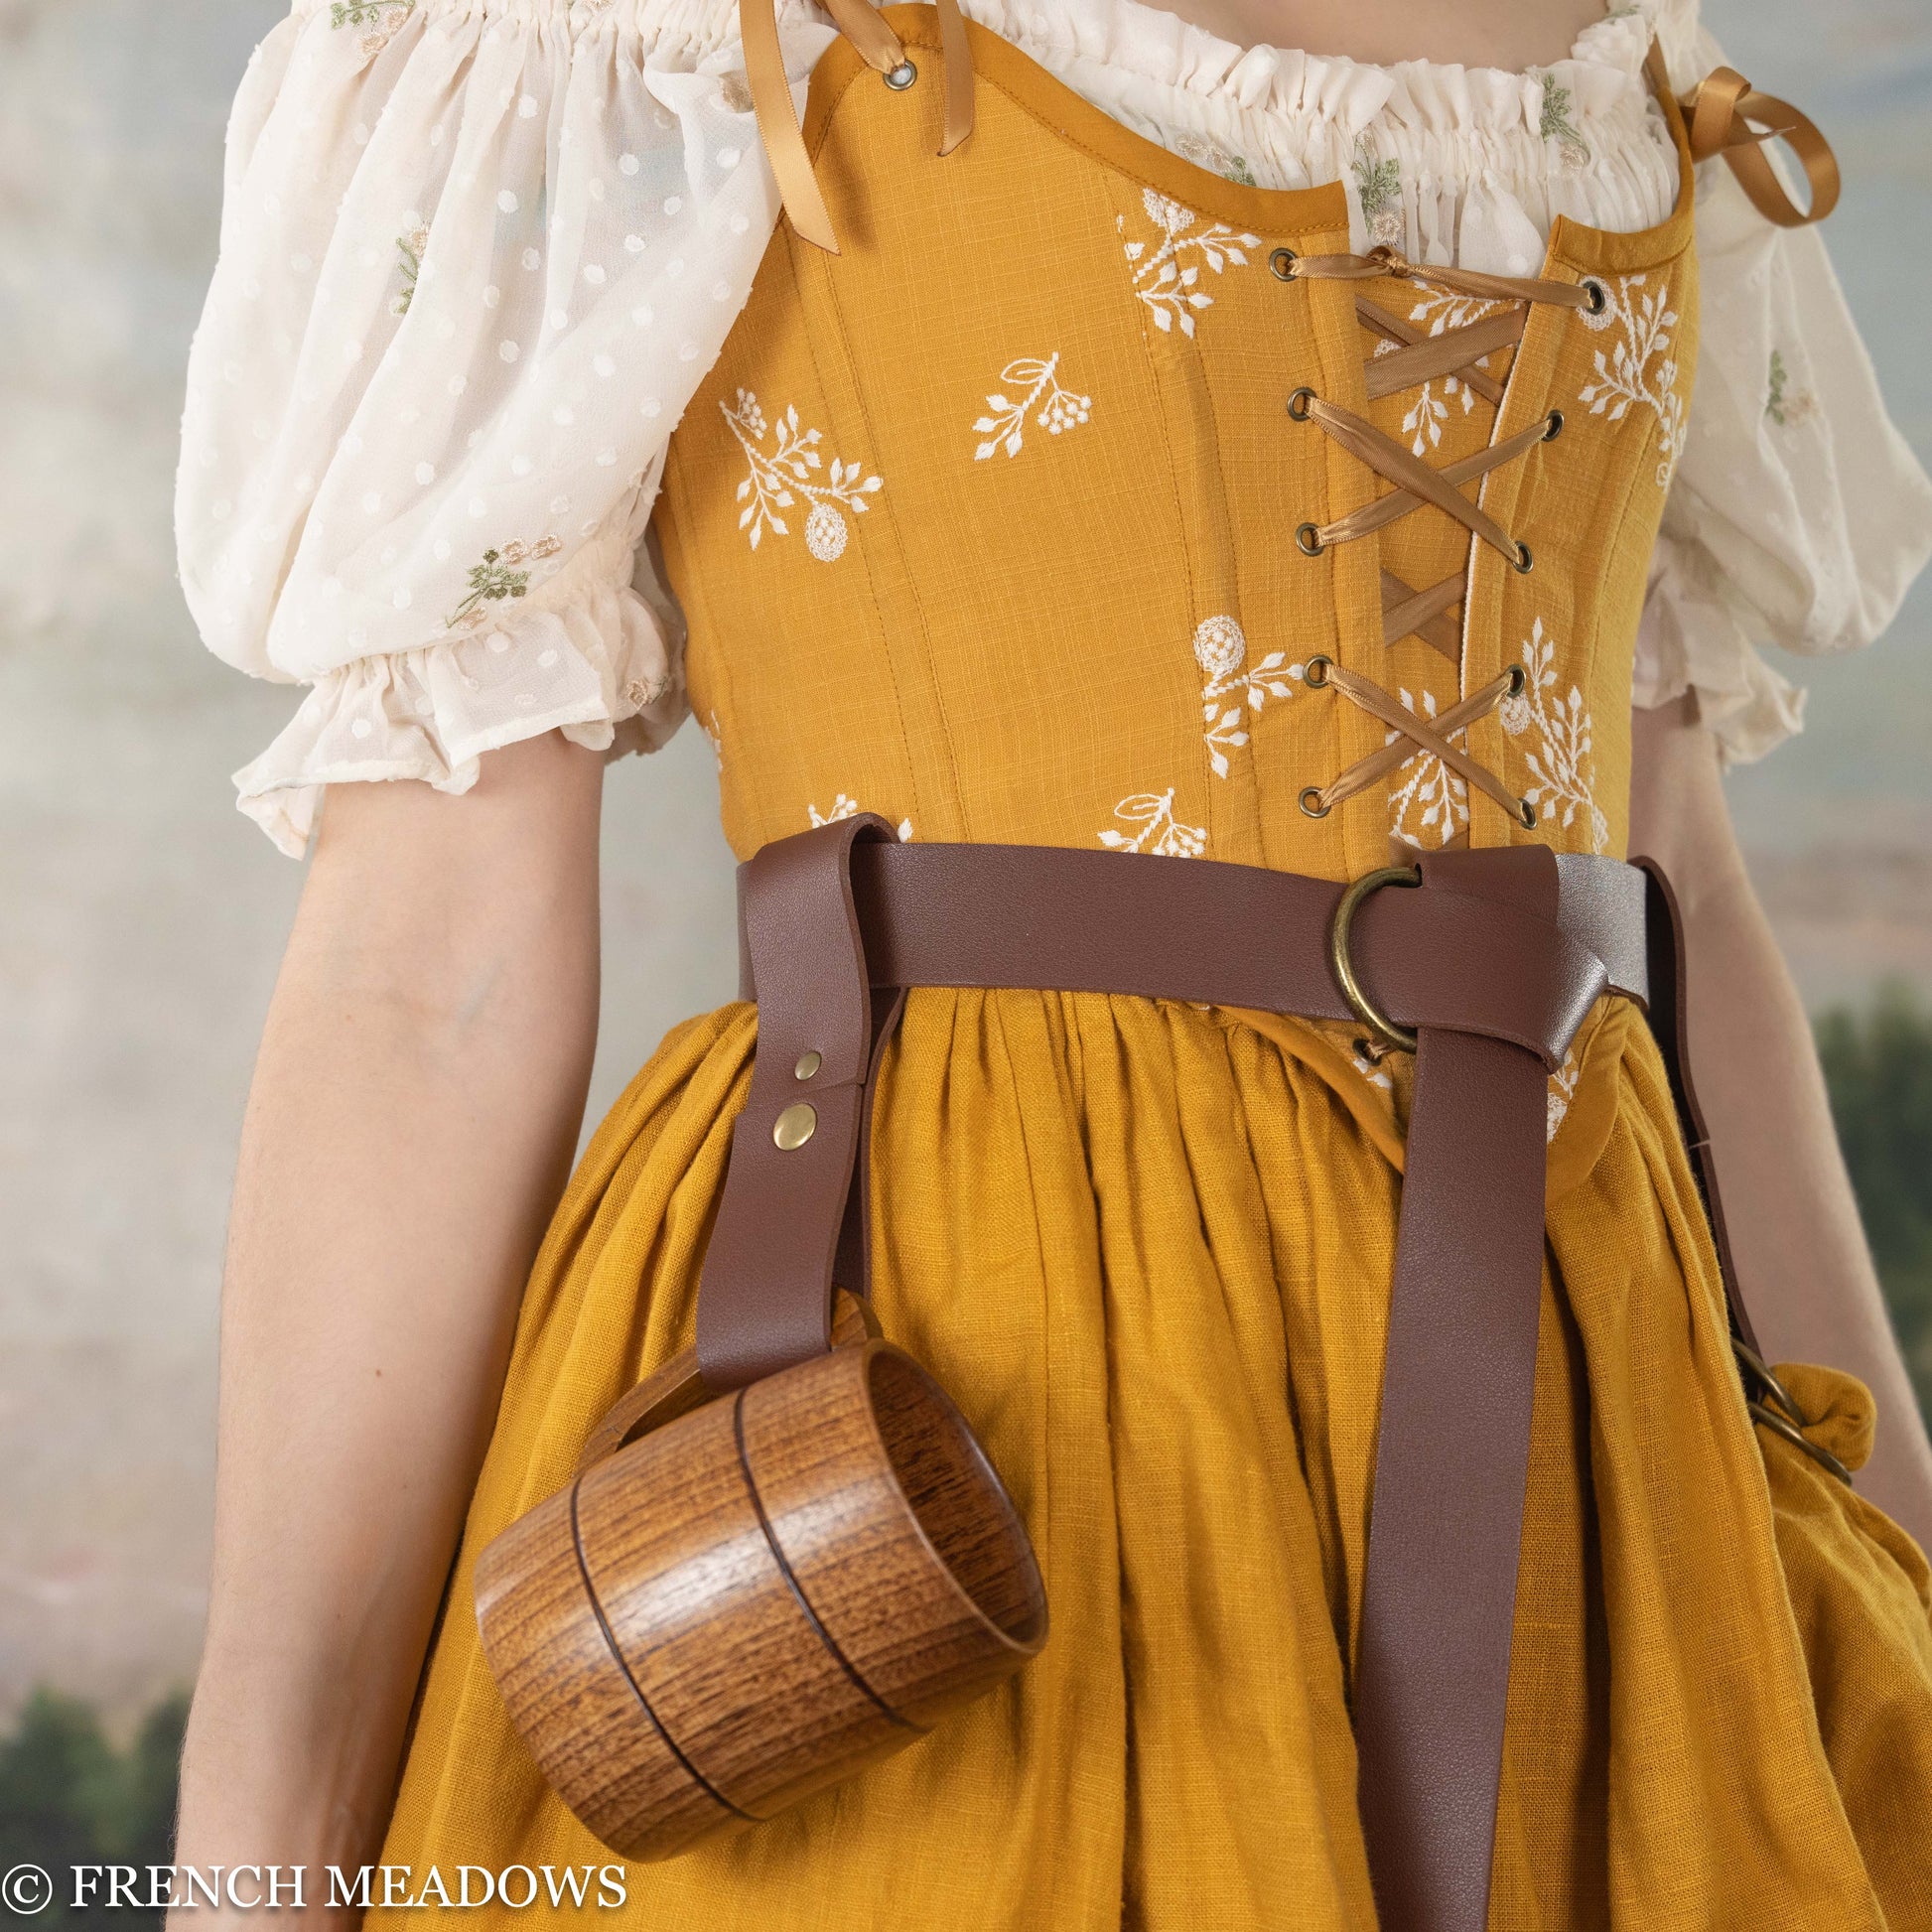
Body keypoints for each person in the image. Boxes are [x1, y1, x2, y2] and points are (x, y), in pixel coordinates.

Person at [171, 0, 1932, 1921]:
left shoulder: (1648, 51)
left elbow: (1660, 879)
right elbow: (432, 970)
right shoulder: (627, 36)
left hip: (1603, 1447)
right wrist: (253, 1856)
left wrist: (1893, 1554)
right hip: (963, 1413)